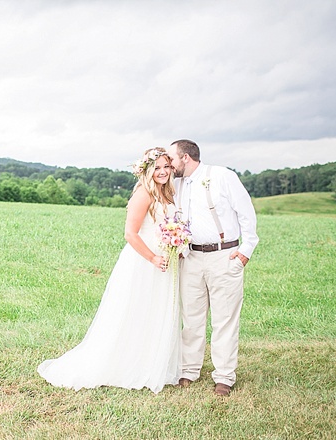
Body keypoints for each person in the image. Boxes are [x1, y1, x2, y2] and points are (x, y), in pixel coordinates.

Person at [37, 148, 183, 394]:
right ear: (146, 170)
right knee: (134, 311)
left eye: (166, 167)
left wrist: (175, 245)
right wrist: (153, 258)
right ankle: (126, 363)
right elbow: (130, 234)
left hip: (164, 261)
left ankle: (149, 361)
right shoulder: (143, 194)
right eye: (156, 168)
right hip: (143, 261)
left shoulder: (166, 193)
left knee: (154, 311)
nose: (162, 172)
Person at [167, 139, 259, 397]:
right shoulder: (176, 184)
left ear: (185, 157)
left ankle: (224, 377)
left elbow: (246, 213)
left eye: (172, 159)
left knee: (224, 319)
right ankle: (189, 370)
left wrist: (245, 252)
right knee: (192, 319)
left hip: (225, 256)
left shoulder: (222, 176)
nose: (170, 165)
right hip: (191, 257)